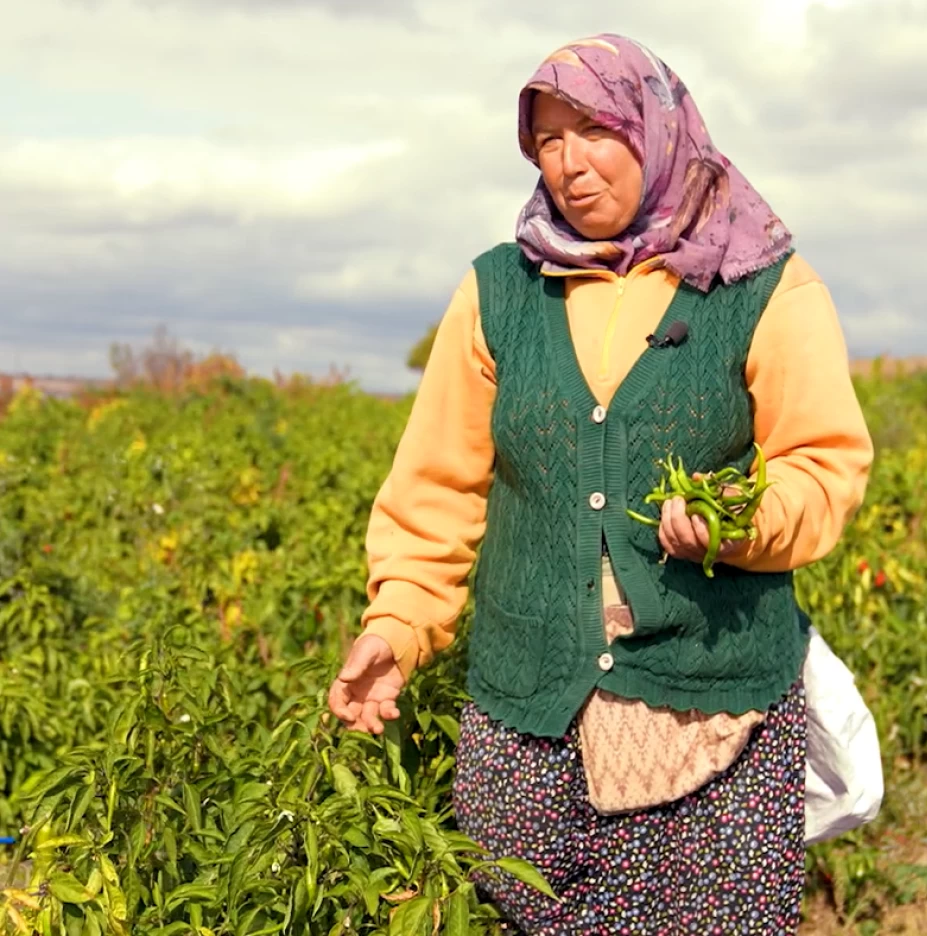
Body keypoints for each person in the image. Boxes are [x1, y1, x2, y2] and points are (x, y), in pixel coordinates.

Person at [328, 32, 874, 935]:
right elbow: (437, 487)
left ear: (656, 130)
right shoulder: (499, 291)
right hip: (529, 727)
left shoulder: (761, 283)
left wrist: (741, 521)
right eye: (547, 140)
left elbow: (823, 466)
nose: (569, 165)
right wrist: (398, 624)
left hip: (714, 719)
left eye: (594, 131)